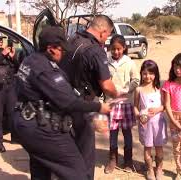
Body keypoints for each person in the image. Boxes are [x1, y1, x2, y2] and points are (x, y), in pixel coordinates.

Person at [13, 26, 112, 180]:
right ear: (51, 48)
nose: (64, 53)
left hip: (24, 123)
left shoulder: (30, 59)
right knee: (77, 172)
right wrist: (99, 107)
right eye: (62, 49)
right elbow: (68, 102)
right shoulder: (46, 69)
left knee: (41, 169)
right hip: (40, 128)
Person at [59, 15, 118, 179]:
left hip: (62, 101)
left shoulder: (71, 39)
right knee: (85, 151)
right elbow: (106, 84)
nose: (107, 39)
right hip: (83, 106)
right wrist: (118, 94)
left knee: (69, 148)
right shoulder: (95, 50)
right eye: (108, 35)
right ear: (103, 31)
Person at [103, 34, 139, 174]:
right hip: (111, 103)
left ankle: (128, 160)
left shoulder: (129, 62)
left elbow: (136, 79)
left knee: (127, 133)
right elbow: (102, 81)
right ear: (110, 48)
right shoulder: (106, 62)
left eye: (119, 49)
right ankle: (113, 160)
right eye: (113, 49)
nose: (116, 52)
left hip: (125, 104)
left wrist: (127, 89)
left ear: (124, 48)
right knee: (112, 133)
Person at [134, 60, 167, 180]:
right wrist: (139, 116)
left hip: (158, 123)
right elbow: (135, 107)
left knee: (159, 147)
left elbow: (164, 106)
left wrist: (158, 110)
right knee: (147, 147)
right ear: (141, 74)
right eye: (145, 73)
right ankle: (149, 170)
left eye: (151, 73)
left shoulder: (160, 89)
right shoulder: (139, 90)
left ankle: (159, 168)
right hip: (145, 124)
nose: (148, 76)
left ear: (156, 74)